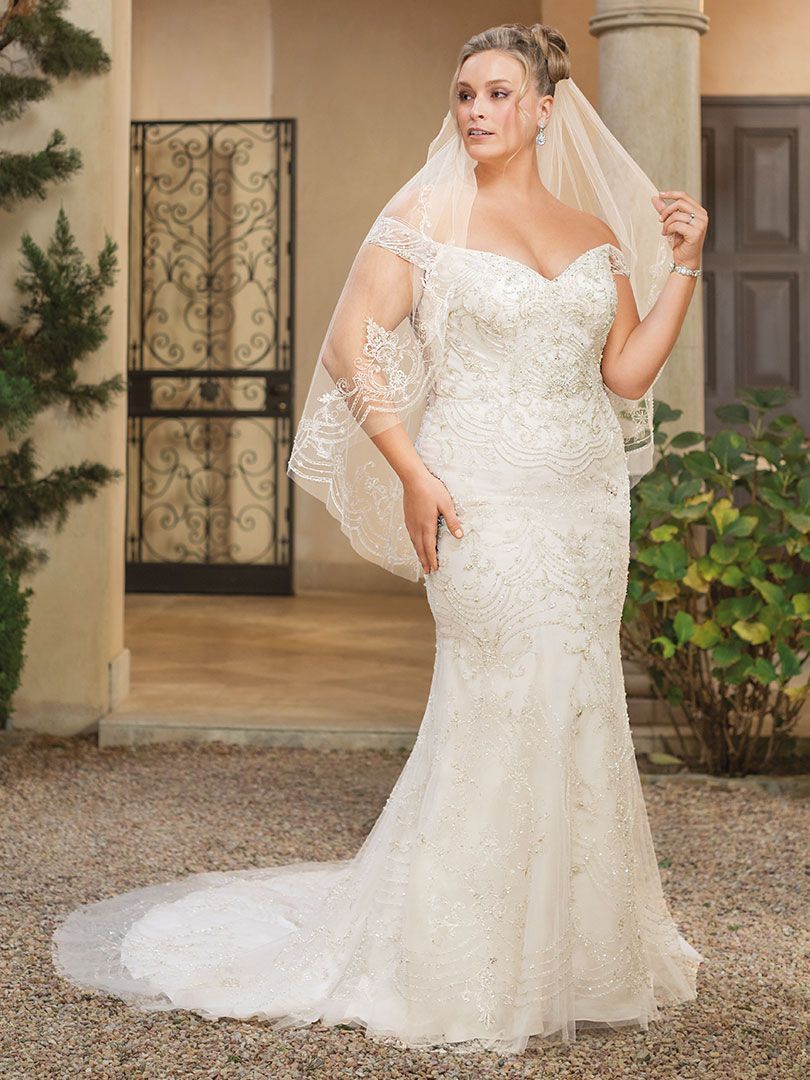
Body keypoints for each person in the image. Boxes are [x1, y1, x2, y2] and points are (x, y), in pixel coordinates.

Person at [52, 22, 705, 1056]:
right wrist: (411, 467)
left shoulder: (593, 231)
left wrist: (683, 268)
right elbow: (355, 345)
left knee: (576, 696)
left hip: (585, 507)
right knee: (496, 695)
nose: (477, 112)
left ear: (543, 108)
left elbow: (625, 375)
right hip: (473, 495)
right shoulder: (426, 214)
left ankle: (578, 952)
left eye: (497, 94)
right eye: (464, 94)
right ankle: (462, 958)